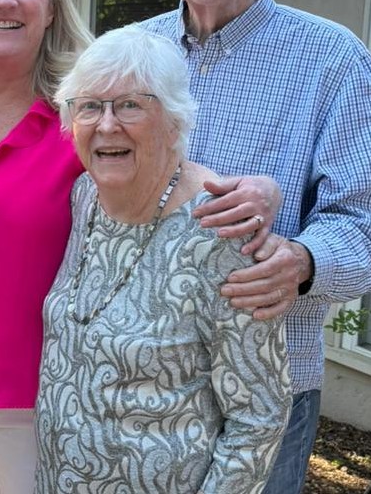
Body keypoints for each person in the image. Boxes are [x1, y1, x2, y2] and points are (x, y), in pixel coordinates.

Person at [0, 0, 281, 494]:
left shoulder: (84, 117)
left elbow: (166, 171)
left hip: (50, 400)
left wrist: (260, 192)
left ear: (52, 5)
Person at [141, 0, 371, 493]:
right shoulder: (130, 54)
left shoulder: (332, 60)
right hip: (139, 380)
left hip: (265, 386)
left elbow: (361, 221)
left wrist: (301, 261)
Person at [35, 25, 292, 494]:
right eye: (89, 106)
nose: (106, 125)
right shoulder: (85, 196)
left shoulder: (220, 233)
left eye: (131, 105)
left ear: (175, 121)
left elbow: (258, 417)